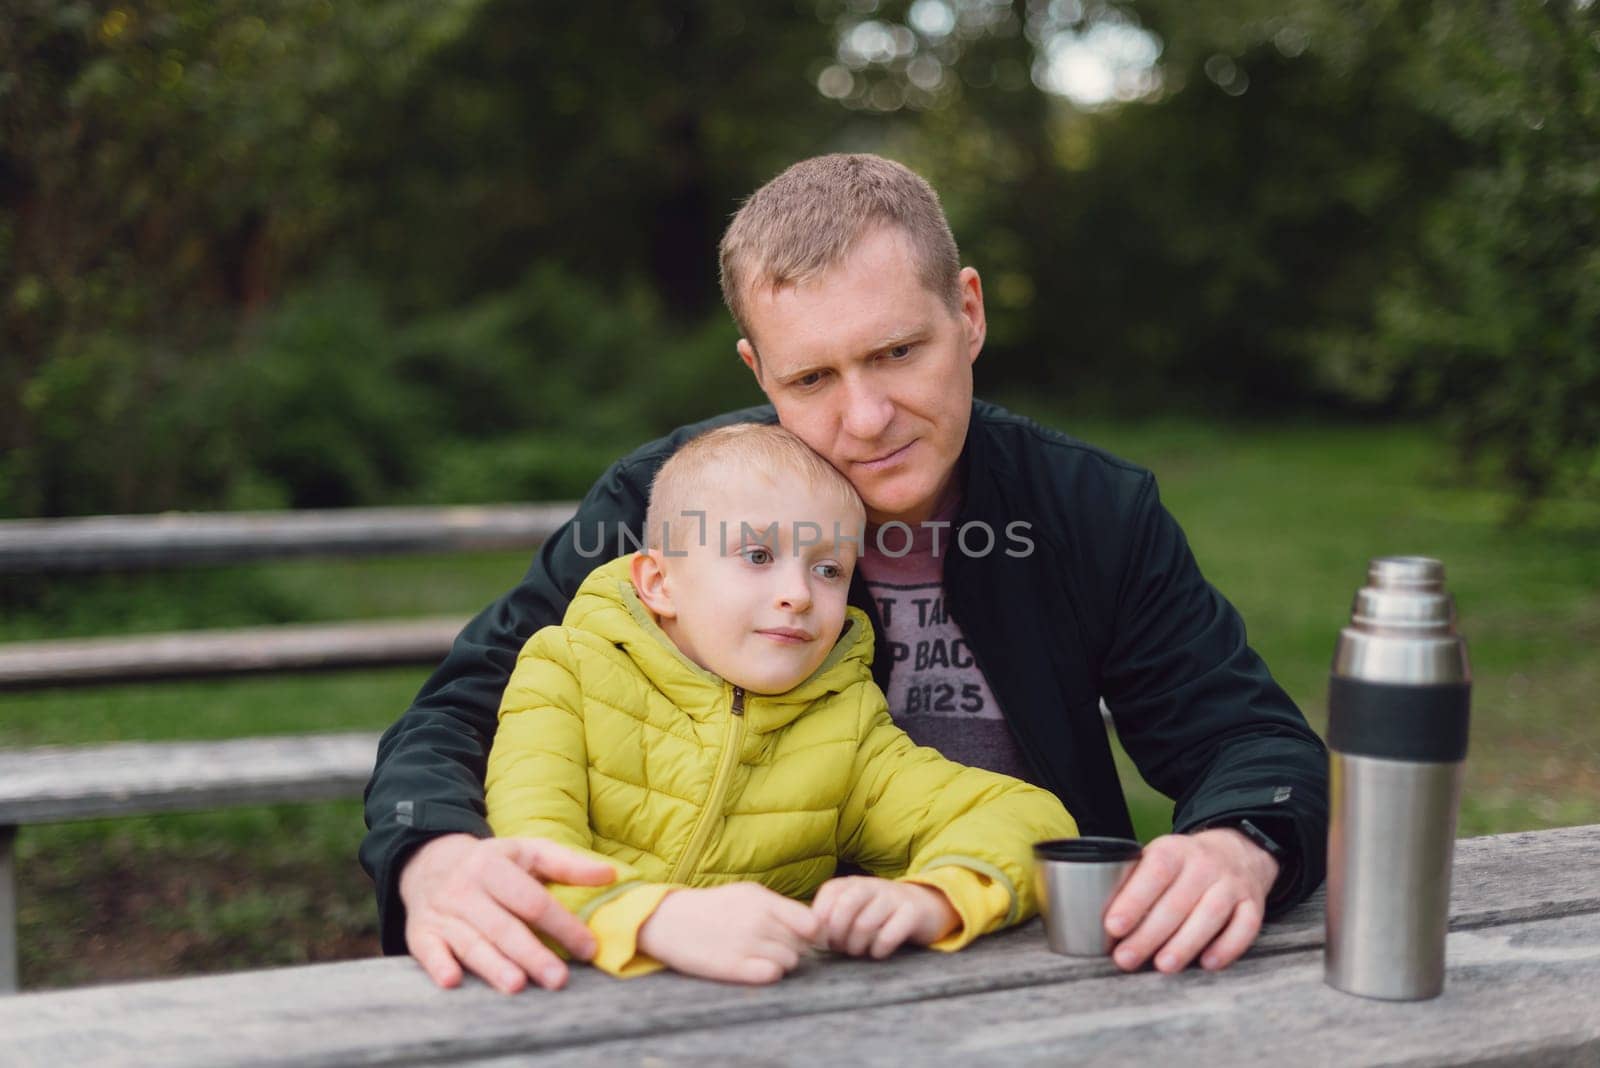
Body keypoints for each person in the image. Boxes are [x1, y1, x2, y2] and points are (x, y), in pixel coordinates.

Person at [361, 153, 1329, 995]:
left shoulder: (1090, 510)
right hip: (717, 982)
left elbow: (1248, 741)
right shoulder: (667, 502)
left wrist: (1236, 846)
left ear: (969, 312)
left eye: (897, 352)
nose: (865, 419)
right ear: (756, 370)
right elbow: (460, 711)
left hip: (1027, 958)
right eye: (810, 379)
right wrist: (433, 856)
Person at [482, 422, 1076, 983]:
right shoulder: (568, 673)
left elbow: (1028, 818)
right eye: (759, 557)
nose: (797, 594)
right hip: (562, 1002)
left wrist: (930, 898)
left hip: (764, 1021)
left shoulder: (843, 727)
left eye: (827, 568)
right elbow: (531, 852)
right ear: (660, 584)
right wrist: (653, 919)